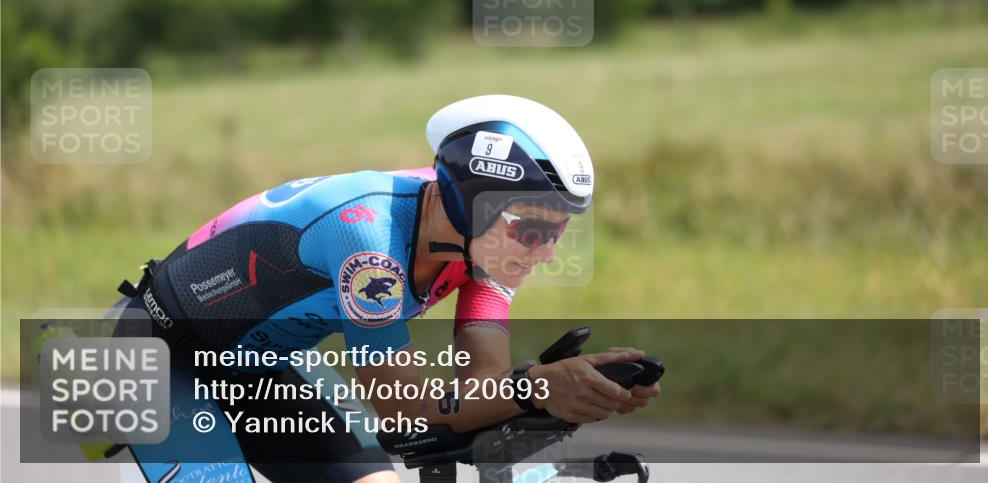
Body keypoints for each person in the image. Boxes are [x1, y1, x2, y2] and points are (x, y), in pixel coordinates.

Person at [117, 94, 660, 483]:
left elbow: (480, 389)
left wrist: (576, 390)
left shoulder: (481, 248)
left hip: (259, 366)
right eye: (533, 230)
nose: (546, 252)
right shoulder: (369, 243)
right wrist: (536, 386)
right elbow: (406, 413)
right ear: (475, 204)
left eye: (558, 232)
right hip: (158, 357)